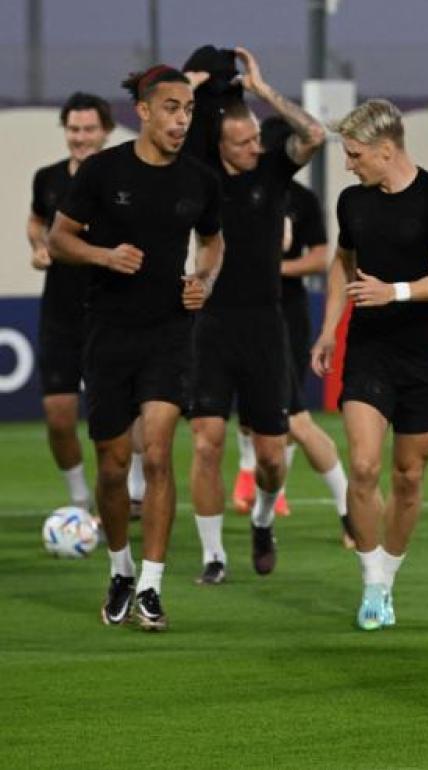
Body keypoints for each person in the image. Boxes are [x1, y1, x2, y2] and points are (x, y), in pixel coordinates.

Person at [49, 65, 224, 631]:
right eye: (172, 108)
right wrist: (104, 256)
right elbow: (59, 238)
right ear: (144, 112)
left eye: (189, 110)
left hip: (169, 333)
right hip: (107, 333)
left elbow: (214, 241)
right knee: (113, 464)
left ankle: (151, 586)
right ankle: (120, 569)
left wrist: (203, 279)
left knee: (156, 453)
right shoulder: (103, 171)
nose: (181, 119)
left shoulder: (199, 179)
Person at [311, 99, 428, 630]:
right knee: (367, 466)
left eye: (354, 155)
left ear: (386, 149)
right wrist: (328, 328)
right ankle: (372, 580)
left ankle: (389, 578)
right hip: (369, 349)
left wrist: (392, 291)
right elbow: (342, 264)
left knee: (409, 477)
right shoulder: (353, 202)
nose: (348, 165)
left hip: (426, 355)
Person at [184, 47, 326, 584]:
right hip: (212, 326)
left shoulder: (272, 168)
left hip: (266, 326)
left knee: (271, 456)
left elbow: (313, 135)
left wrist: (264, 91)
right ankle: (213, 556)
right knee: (206, 441)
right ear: (220, 145)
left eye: (255, 140)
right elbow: (162, 141)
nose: (252, 148)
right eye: (241, 143)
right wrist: (191, 87)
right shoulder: (200, 176)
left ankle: (263, 521)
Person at [228, 117, 353, 548]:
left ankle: (347, 509)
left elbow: (320, 258)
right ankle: (258, 490)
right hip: (241, 315)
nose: (255, 149)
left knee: (294, 419)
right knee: (259, 418)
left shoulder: (298, 199)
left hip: (286, 316)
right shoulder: (237, 189)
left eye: (260, 141)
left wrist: (269, 267)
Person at [27, 92, 114, 514]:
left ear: (106, 132)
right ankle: (80, 500)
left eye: (89, 129)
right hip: (61, 314)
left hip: (112, 312)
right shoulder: (48, 179)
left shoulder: (122, 179)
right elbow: (37, 221)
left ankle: (127, 491)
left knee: (119, 420)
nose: (80, 137)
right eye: (74, 129)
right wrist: (39, 246)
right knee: (60, 418)